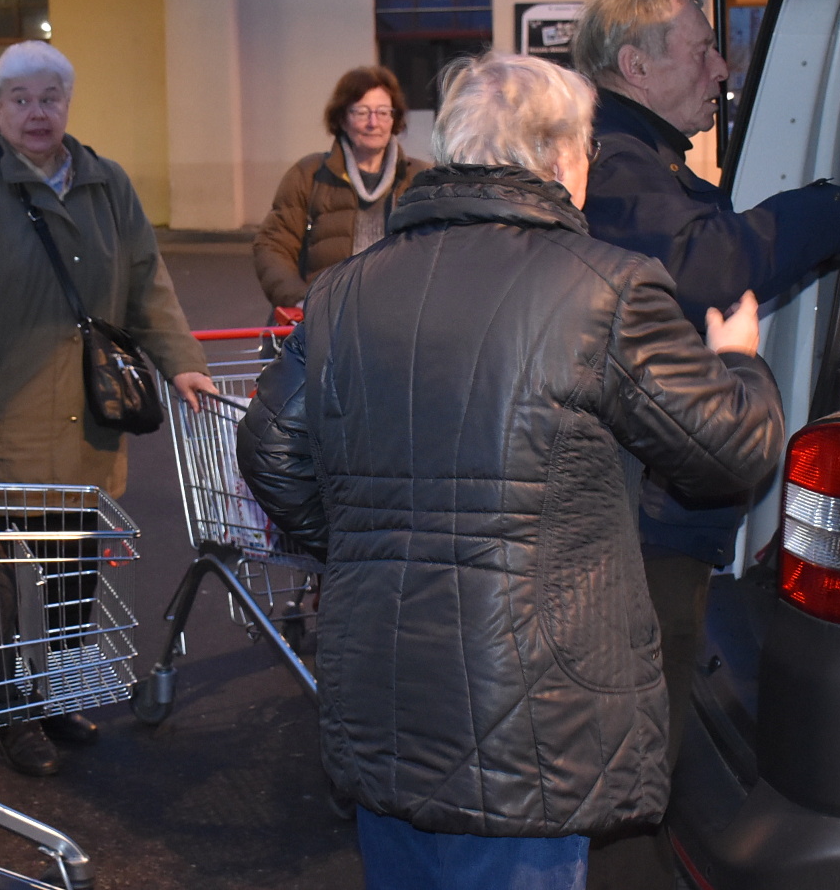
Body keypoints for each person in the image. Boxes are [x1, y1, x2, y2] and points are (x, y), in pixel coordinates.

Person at [237, 51, 787, 890]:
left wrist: (360, 548)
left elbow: (271, 450)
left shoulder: (345, 291)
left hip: (383, 687)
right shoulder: (608, 288)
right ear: (562, 155)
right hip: (534, 715)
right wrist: (741, 364)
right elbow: (730, 449)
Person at [569, 0, 840, 889]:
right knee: (636, 749)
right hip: (645, 514)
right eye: (700, 49)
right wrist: (838, 205)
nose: (721, 69)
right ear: (635, 66)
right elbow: (706, 264)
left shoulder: (637, 153)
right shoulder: (617, 165)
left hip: (656, 507)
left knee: (649, 738)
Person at [0, 40, 213, 778]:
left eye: (50, 99)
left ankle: (57, 695)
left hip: (85, 418)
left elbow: (148, 286)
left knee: (72, 570)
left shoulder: (106, 182)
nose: (37, 114)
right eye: (20, 99)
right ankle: (12, 711)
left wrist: (185, 365)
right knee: (5, 576)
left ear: (67, 104)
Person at [252, 66, 428, 312]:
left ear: (394, 119)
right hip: (327, 319)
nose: (373, 123)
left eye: (383, 112)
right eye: (361, 112)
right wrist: (300, 300)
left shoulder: (420, 179)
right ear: (342, 118)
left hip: (398, 320)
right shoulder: (308, 174)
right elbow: (272, 245)